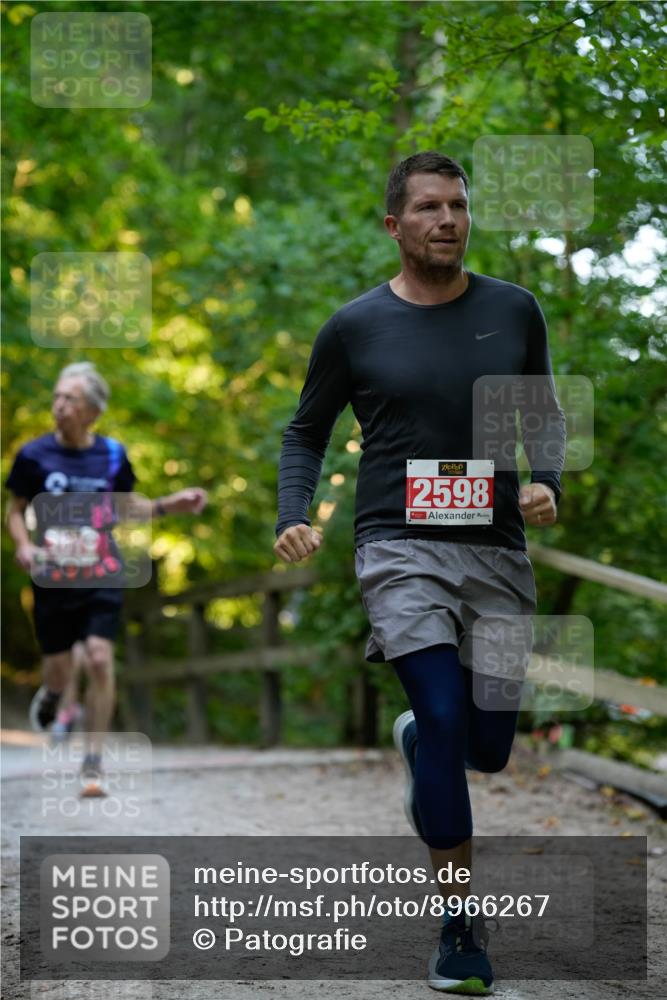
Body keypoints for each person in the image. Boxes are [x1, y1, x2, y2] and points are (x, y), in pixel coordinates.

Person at [273, 152, 565, 994]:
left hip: (494, 546)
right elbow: (305, 431)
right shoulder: (354, 327)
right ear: (394, 226)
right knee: (440, 716)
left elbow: (540, 411)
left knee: (488, 746)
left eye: (459, 206)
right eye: (430, 207)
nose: (448, 219)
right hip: (397, 544)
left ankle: (420, 746)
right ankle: (458, 926)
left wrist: (545, 479)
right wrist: (294, 516)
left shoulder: (514, 309)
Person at [6, 362, 208, 796]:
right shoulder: (33, 455)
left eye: (70, 399)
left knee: (99, 657)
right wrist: (24, 544)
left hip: (100, 570)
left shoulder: (113, 455)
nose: (59, 405)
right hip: (53, 576)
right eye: (57, 396)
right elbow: (15, 511)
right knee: (60, 668)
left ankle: (93, 763)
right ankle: (55, 693)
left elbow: (123, 508)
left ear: (92, 411)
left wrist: (167, 505)